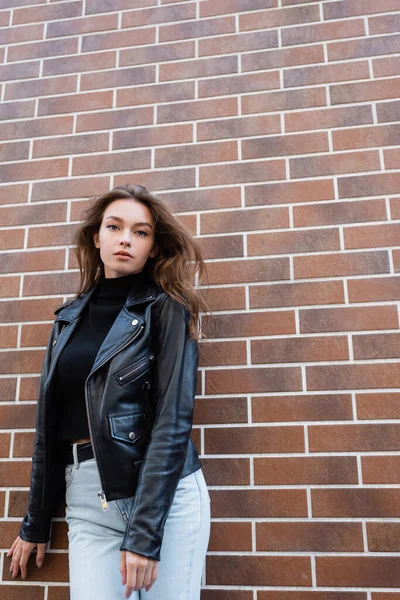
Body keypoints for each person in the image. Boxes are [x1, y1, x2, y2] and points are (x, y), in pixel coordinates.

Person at [7, 183, 214, 599]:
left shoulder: (167, 309)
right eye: (115, 226)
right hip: (87, 499)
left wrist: (144, 534)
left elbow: (173, 421)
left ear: (154, 247)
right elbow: (49, 426)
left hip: (163, 501)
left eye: (141, 232)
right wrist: (37, 520)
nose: (125, 238)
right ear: (96, 237)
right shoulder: (66, 320)